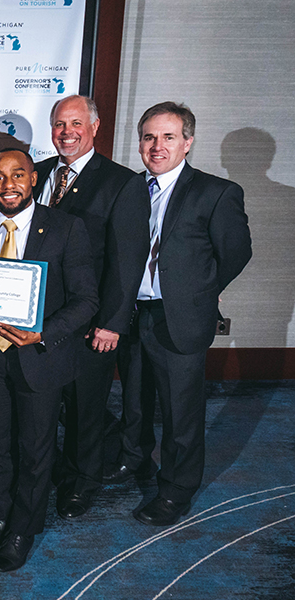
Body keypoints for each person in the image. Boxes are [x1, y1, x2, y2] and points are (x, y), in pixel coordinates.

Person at [0, 149, 98, 572]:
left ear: (34, 179)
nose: (8, 184)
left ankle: (23, 529)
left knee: (35, 449)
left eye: (18, 175)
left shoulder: (67, 228)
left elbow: (86, 299)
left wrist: (44, 332)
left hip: (39, 356)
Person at [112, 102, 251, 526]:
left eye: (168, 137)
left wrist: (202, 291)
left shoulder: (215, 192)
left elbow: (236, 253)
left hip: (181, 320)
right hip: (133, 316)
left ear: (187, 142)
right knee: (134, 400)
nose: (157, 146)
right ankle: (133, 460)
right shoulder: (130, 189)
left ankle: (176, 490)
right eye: (149, 137)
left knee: (180, 413)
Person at [31, 95, 151, 519]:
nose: (67, 133)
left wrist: (112, 323)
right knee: (44, 404)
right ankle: (43, 474)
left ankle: (81, 482)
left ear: (95, 128)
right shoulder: (38, 173)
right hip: (39, 319)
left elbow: (128, 259)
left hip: (90, 323)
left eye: (76, 124)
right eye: (60, 125)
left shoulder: (122, 182)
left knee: (85, 408)